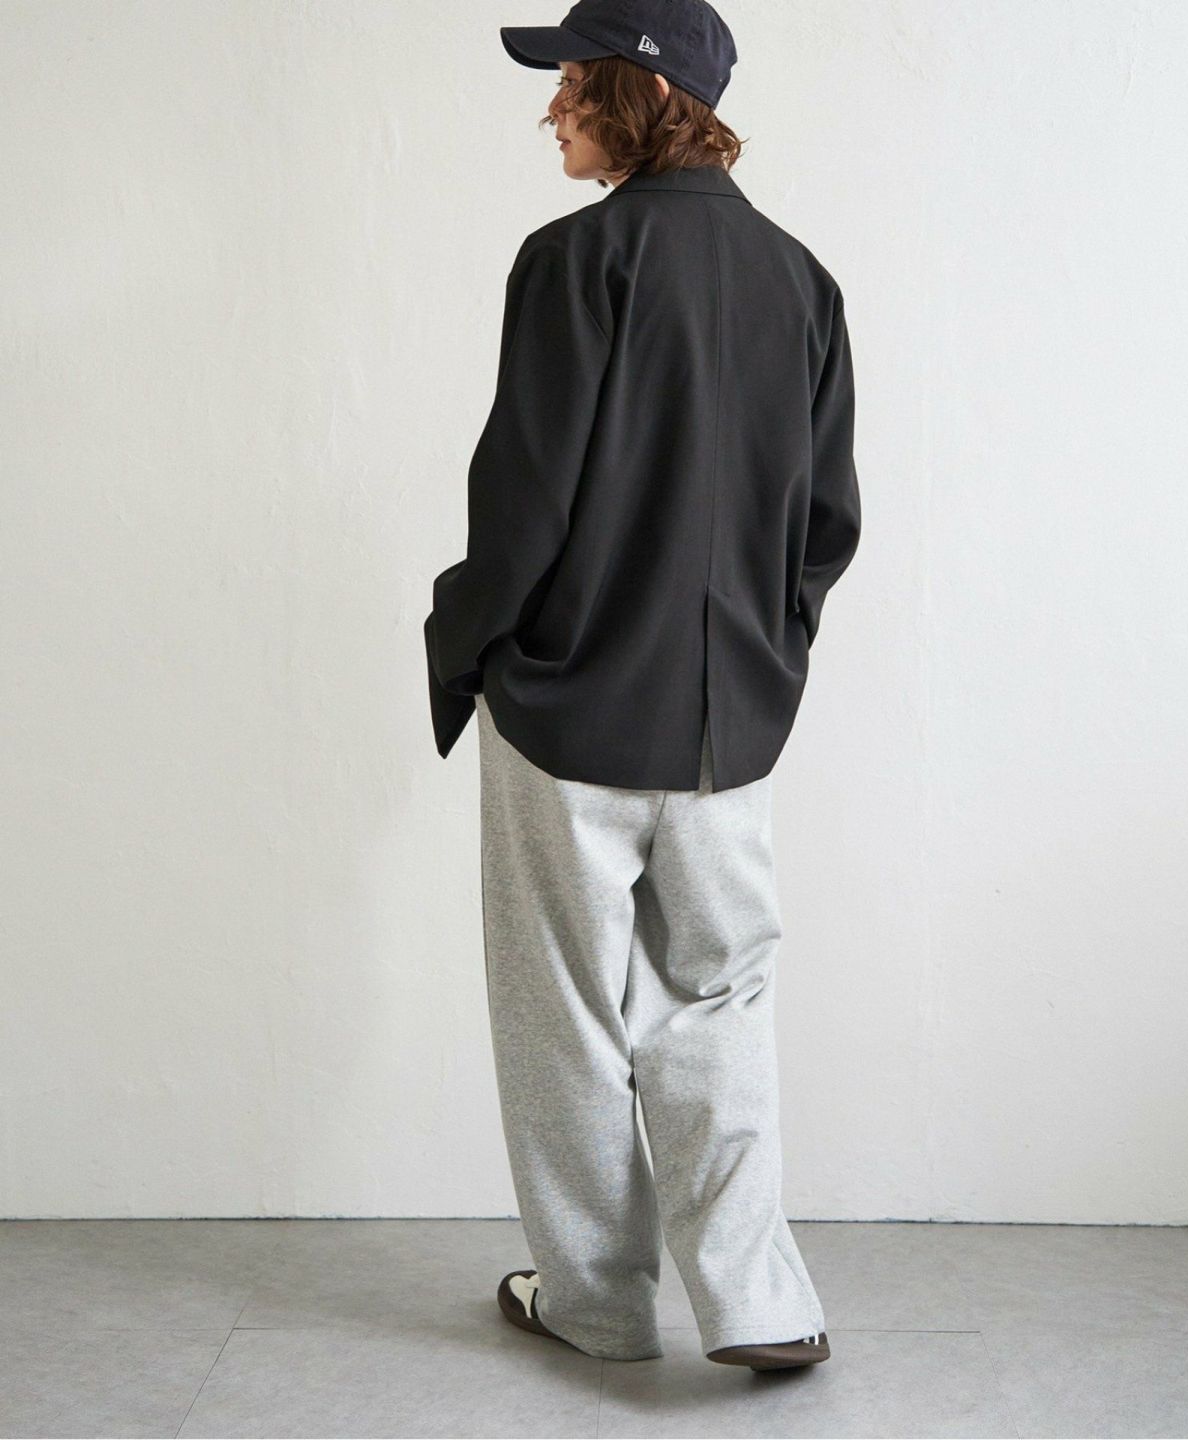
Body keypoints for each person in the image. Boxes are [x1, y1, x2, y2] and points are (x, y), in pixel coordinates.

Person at [423, 0, 861, 1372]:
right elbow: (827, 525)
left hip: (569, 709)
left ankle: (598, 1303)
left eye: (571, 82)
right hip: (730, 724)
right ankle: (761, 1303)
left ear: (642, 94)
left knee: (563, 1007)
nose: (550, 109)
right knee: (719, 1000)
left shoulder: (574, 260)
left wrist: (466, 644)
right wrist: (765, 656)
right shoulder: (802, 281)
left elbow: (524, 500)